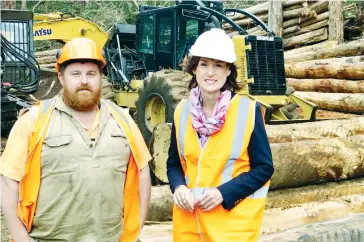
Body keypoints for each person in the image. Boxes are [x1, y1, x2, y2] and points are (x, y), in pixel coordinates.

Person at [1, 37, 151, 242]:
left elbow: (142, 172)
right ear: (61, 78)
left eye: (91, 74)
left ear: (100, 77)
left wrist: (135, 232)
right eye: (75, 74)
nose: (84, 81)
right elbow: (9, 181)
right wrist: (21, 238)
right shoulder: (34, 121)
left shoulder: (123, 119)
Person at [166, 28, 274, 242]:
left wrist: (224, 193)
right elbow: (174, 164)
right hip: (189, 227)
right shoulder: (182, 111)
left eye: (218, 65)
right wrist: (178, 187)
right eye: (204, 64)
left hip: (231, 228)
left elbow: (264, 168)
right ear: (194, 69)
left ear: (228, 72)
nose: (210, 72)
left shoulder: (247, 110)